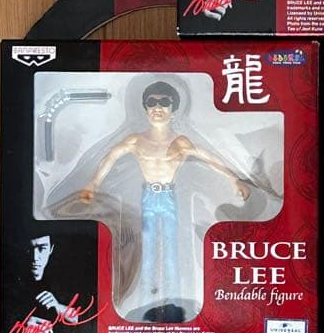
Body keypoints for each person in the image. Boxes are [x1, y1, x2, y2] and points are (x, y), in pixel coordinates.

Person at [77, 81, 250, 318]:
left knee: (170, 252)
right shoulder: (136, 140)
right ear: (145, 108)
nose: (157, 107)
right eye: (152, 102)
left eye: (164, 102)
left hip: (168, 197)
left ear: (173, 109)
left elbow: (208, 157)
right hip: (148, 197)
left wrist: (234, 179)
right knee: (147, 252)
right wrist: (94, 183)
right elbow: (111, 156)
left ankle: (173, 305)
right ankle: (146, 305)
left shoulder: (180, 142)